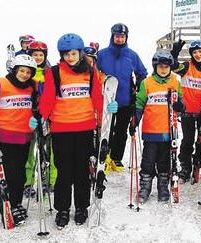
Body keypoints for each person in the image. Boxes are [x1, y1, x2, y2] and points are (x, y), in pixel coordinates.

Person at [38, 33, 117, 228]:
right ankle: (63, 209)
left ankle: (81, 207)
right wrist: (39, 117)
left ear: (80, 53)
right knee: (64, 171)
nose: (70, 57)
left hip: (85, 127)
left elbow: (97, 97)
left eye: (73, 53)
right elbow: (47, 99)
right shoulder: (54, 72)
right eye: (66, 54)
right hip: (61, 129)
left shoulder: (90, 72)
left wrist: (106, 110)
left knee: (82, 170)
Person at [0, 54, 38, 226]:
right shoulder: (1, 83)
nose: (24, 75)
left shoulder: (33, 87)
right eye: (22, 71)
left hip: (24, 137)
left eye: (28, 72)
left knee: (20, 174)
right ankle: (8, 206)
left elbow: (38, 104)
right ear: (15, 70)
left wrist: (38, 117)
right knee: (8, 175)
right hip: (4, 136)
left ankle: (16, 204)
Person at [131, 49, 184, 203]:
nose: (163, 69)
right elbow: (140, 103)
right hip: (151, 131)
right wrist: (135, 119)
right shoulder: (147, 83)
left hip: (168, 132)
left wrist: (180, 105)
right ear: (155, 67)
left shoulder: (175, 81)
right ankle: (145, 187)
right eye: (160, 66)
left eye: (166, 67)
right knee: (148, 161)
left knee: (164, 161)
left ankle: (163, 186)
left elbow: (181, 102)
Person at [97, 23, 148, 172]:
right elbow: (94, 72)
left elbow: (142, 72)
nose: (119, 39)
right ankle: (104, 157)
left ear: (126, 37)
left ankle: (116, 158)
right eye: (117, 36)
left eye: (122, 36)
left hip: (125, 100)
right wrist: (101, 78)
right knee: (106, 130)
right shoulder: (102, 54)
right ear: (112, 36)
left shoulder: (132, 55)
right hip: (107, 100)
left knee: (121, 131)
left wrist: (139, 84)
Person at [170, 39, 201, 183]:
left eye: (200, 52)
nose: (197, 54)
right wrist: (174, 52)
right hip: (187, 111)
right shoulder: (186, 67)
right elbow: (172, 66)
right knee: (188, 141)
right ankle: (185, 168)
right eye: (195, 52)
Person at [22, 41, 58, 198]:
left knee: (49, 151)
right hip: (30, 117)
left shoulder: (50, 73)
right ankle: (27, 182)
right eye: (34, 55)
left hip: (47, 117)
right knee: (30, 152)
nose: (37, 57)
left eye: (40, 55)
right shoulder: (26, 73)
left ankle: (50, 180)